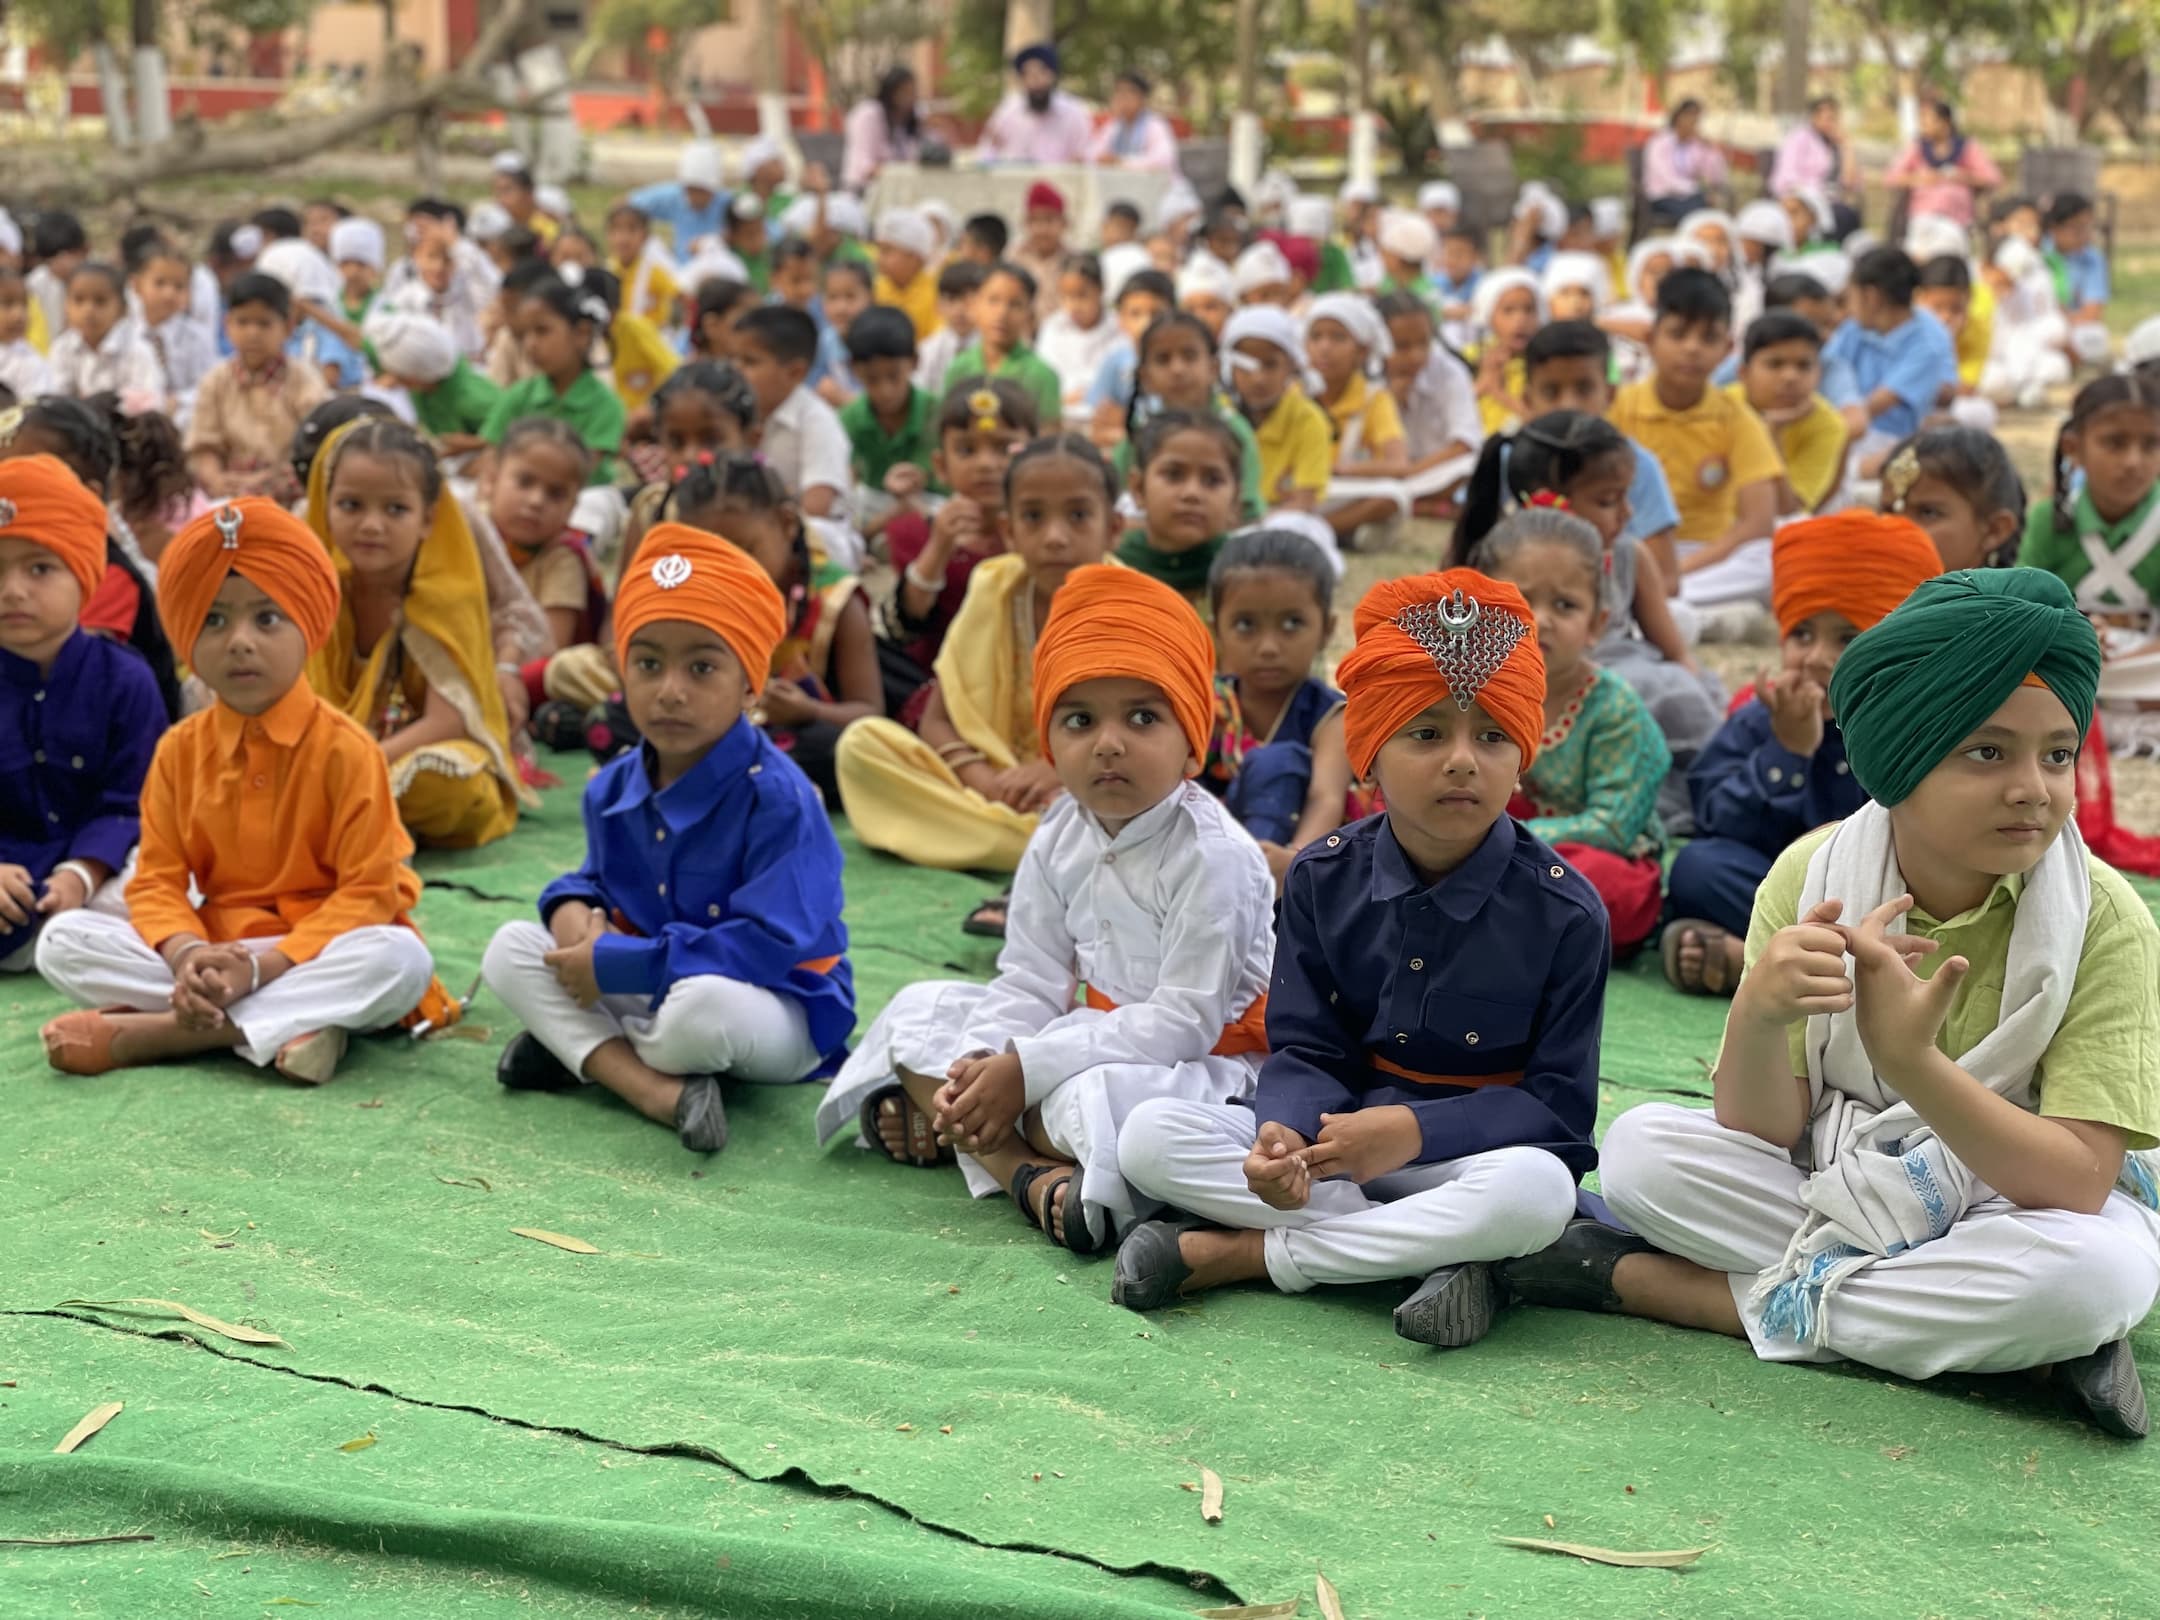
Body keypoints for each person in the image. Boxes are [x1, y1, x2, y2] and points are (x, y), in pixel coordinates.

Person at [1510, 569, 2160, 1439]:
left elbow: (2079, 1180)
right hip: (1835, 1171)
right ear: (1899, 758)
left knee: (2100, 1275)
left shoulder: (2105, 917)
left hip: (2020, 1203)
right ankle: (2024, 1350)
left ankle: (1680, 1294)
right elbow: (1764, 1129)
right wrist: (1762, 1012)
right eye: (1987, 752)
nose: (2032, 789)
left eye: (2056, 754)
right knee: (1639, 1155)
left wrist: (1911, 1065)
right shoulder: (1813, 877)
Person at [1113, 565, 1604, 1343]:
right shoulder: (1320, 877)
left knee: (1536, 1193)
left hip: (1463, 1159)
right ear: (1367, 754)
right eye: (1427, 732)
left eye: (1491, 735)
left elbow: (1560, 1109)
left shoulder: (1566, 911)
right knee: (1147, 1138)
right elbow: (1308, 1047)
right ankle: (1437, 1255)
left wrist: (1411, 1133)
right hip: (1331, 1150)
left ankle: (1246, 1257)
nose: (1461, 760)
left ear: (1522, 758)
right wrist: (1282, 1132)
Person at [821, 563, 1273, 1258]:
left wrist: (1027, 1069)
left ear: (1193, 744)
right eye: (1080, 720)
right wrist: (983, 1065)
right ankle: (1026, 1175)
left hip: (1196, 1065)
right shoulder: (1060, 829)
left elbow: (1184, 1025)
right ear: (1049, 739)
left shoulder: (1214, 857)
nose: (1109, 743)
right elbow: (1030, 979)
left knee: (1097, 1104)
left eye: (1143, 717)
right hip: (1074, 1035)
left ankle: (972, 1139)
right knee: (918, 1013)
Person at [36, 500, 440, 1084]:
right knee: (64, 939)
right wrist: (188, 956)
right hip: (211, 947)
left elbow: (370, 891)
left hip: (312, 948)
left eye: (267, 618)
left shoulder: (349, 750)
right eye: (214, 620)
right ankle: (292, 1024)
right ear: (186, 638)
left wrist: (262, 968)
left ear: (309, 626)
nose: (240, 642)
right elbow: (156, 881)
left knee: (400, 959)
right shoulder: (179, 750)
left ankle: (163, 1034)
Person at [484, 525, 853, 1152]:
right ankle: (652, 1087)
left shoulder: (780, 799)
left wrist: (616, 963)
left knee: (698, 1013)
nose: (670, 690)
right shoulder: (614, 786)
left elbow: (765, 949)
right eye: (648, 663)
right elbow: (593, 880)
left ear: (749, 685)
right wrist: (572, 912)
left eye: (702, 666)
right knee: (509, 947)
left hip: (774, 1004)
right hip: (647, 979)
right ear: (622, 671)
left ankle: (585, 1049)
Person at [1662, 511, 1943, 996]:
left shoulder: (1916, 731)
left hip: (1883, 903)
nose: (1816, 657)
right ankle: (1809, 965)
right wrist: (1787, 755)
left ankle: (1763, 962)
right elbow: (1716, 819)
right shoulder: (1760, 717)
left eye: (1847, 639)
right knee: (1697, 868)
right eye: (1803, 634)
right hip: (1781, 891)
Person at [835, 434, 1117, 873]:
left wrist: (1057, 771)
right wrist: (984, 781)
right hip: (991, 784)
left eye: (1078, 516)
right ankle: (1043, 848)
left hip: (1089, 785)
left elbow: (1150, 729)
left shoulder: (1133, 604)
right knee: (861, 745)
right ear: (1009, 530)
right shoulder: (993, 588)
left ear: (1112, 527)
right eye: (1033, 517)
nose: (1055, 537)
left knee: (1131, 794)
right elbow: (937, 719)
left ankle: (1027, 843)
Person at [1452, 409, 1714, 800]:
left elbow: (1674, 650)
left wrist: (1694, 690)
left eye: (1626, 496)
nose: (1627, 513)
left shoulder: (1629, 555)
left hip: (1624, 671)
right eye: (1609, 500)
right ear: (1547, 504)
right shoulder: (1499, 555)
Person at [306, 418, 528, 848]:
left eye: (395, 509)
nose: (371, 525)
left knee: (440, 781)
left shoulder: (446, 597)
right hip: (333, 758)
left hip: (414, 753)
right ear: (324, 505)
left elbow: (448, 721)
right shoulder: (318, 592)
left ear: (428, 519)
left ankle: (359, 823)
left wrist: (360, 765)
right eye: (351, 505)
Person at [1469, 509, 1670, 953]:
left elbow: (1614, 826)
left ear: (1597, 625)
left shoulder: (1614, 709)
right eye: (1522, 601)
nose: (1541, 621)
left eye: (1565, 605)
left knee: (1602, 884)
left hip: (1583, 855)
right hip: (1486, 840)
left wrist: (1493, 841)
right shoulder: (1470, 690)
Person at [0, 457, 165, 973]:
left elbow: (133, 804)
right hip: (8, 887)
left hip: (97, 881)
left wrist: (81, 874)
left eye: (40, 568)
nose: (13, 591)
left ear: (84, 575)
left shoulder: (127, 681)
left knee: (165, 885)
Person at [662, 454, 878, 802]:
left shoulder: (835, 600)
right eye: (708, 556)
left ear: (786, 522)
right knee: (616, 719)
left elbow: (870, 714)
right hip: (715, 735)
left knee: (834, 750)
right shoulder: (696, 595)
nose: (729, 571)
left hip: (800, 736)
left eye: (745, 551)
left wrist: (809, 711)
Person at [1608, 268, 1782, 609]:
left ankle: (1653, 605)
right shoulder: (1619, 408)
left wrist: (1677, 571)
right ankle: (1669, 606)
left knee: (1768, 558)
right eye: (1678, 334)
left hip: (1706, 556)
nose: (1692, 348)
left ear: (1728, 348)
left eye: (1708, 338)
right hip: (1635, 548)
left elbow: (1757, 522)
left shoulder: (1736, 416)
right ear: (1650, 338)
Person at [875, 381, 1038, 717]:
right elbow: (906, 623)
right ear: (940, 466)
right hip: (941, 685)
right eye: (966, 450)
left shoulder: (1049, 530)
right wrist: (939, 547)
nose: (986, 464)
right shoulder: (916, 532)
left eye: (1003, 448)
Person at [1201, 528, 1352, 875]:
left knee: (1278, 762)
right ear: (1217, 632)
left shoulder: (1329, 714)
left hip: (1285, 865)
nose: (1268, 646)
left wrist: (1296, 860)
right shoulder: (1208, 702)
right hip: (1202, 859)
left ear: (1326, 630)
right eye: (1245, 625)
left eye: (1291, 623)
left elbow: (1326, 797)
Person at [185, 272, 332, 503]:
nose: (252, 333)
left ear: (288, 327)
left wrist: (265, 482)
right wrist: (215, 479)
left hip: (287, 495)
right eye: (242, 322)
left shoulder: (304, 381)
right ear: (227, 325)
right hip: (226, 494)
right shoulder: (215, 382)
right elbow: (203, 446)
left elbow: (315, 449)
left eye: (264, 324)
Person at [1821, 246, 1961, 478]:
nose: (1847, 306)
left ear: (1871, 296)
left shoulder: (1927, 342)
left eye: (1851, 296)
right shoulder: (1854, 329)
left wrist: (1824, 429)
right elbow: (1823, 371)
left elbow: (1874, 407)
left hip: (1882, 437)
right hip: (1841, 425)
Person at [479, 273, 626, 486]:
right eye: (524, 335)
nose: (530, 344)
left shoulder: (606, 405)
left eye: (542, 331)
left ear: (582, 334)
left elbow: (577, 477)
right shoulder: (518, 396)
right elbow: (491, 458)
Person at [733, 305, 854, 534]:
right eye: (734, 359)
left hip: (809, 534)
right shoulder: (737, 416)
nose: (736, 370)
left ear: (795, 372)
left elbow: (817, 506)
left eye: (749, 362)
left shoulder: (817, 421)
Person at [1116, 411, 1242, 605]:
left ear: (1234, 499)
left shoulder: (1243, 573)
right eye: (1174, 475)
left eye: (1212, 480)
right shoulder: (1115, 569)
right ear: (1138, 489)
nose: (1192, 493)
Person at [1731, 310, 1845, 514]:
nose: (1790, 376)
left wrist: (1773, 432)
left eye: (1804, 366)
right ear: (1743, 373)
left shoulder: (1828, 425)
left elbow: (1786, 511)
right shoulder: (1722, 407)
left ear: (1818, 374)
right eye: (1775, 364)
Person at [840, 307, 937, 542]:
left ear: (914, 362)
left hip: (928, 503)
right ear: (854, 369)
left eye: (894, 376)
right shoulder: (847, 419)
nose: (885, 391)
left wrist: (869, 531)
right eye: (872, 379)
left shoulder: (937, 412)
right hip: (873, 505)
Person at [1224, 305, 1333, 514]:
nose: (1258, 378)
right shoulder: (1219, 416)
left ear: (1291, 367)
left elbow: (1304, 502)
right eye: (1246, 367)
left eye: (1270, 365)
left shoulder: (1308, 419)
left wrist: (1253, 521)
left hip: (1277, 519)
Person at [945, 263, 1062, 428]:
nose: (1002, 313)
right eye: (993, 300)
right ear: (974, 305)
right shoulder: (959, 368)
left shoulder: (1042, 376)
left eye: (1015, 304)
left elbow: (1047, 441)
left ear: (1029, 314)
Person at [369, 310, 500, 455]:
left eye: (400, 377)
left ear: (415, 376)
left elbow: (515, 434)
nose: (396, 381)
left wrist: (475, 444)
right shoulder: (424, 384)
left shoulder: (473, 399)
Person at [48, 262, 164, 401]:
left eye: (100, 301)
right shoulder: (62, 346)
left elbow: (149, 401)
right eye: (79, 300)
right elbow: (54, 397)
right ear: (66, 306)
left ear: (122, 309)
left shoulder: (138, 350)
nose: (88, 310)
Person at [1885, 101, 2001, 231]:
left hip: (1958, 219)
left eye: (1928, 122)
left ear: (1945, 122)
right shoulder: (1917, 147)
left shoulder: (1967, 147)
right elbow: (1891, 178)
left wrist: (1962, 177)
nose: (1923, 127)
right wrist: (1921, 178)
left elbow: (1993, 178)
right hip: (1922, 217)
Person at [979, 43, 1096, 166]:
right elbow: (987, 152)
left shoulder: (1074, 113)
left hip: (1061, 183)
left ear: (1052, 75)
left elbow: (1087, 154)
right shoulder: (1008, 111)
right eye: (1028, 74)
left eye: (1041, 73)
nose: (1035, 80)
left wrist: (1081, 160)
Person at [1769, 96, 1861, 240]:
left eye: (1834, 119)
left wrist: (1847, 147)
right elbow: (1785, 177)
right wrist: (1815, 194)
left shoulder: (1837, 145)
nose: (1830, 123)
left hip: (1833, 200)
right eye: (1826, 118)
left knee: (1849, 215)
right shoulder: (1799, 138)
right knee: (1839, 217)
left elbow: (1850, 183)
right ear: (1814, 118)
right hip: (1807, 199)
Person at [2043, 193, 2112, 369]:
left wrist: (2064, 317)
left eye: (2088, 228)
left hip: (2072, 329)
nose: (2085, 235)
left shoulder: (2093, 260)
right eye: (2077, 228)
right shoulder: (2040, 254)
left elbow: (2092, 314)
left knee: (2097, 337)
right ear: (2055, 228)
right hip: (2041, 327)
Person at [629, 143, 730, 262]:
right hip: (681, 274)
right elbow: (626, 205)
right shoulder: (674, 196)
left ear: (713, 189)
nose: (695, 197)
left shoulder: (728, 204)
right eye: (690, 190)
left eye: (701, 191)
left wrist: (714, 242)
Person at [1642, 100, 1729, 227]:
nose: (1693, 123)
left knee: (1711, 211)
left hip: (1688, 198)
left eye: (1697, 119)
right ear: (1679, 118)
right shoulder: (1659, 143)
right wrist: (1694, 190)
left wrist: (1710, 149)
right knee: (1699, 214)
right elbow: (1666, 179)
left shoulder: (1694, 146)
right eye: (1690, 117)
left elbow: (1716, 178)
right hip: (1662, 197)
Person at [843, 66, 923, 192]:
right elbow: (865, 167)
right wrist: (897, 172)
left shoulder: (908, 120)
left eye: (913, 92)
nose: (911, 98)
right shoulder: (868, 114)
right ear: (891, 92)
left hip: (900, 189)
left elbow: (914, 158)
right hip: (864, 190)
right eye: (905, 92)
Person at [1085, 70, 1178, 171]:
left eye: (1129, 92)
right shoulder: (1114, 126)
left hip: (1159, 185)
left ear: (1142, 97)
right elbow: (1094, 152)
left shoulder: (1154, 125)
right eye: (1118, 92)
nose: (1122, 97)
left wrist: (1121, 162)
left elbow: (1163, 159)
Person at [872, 209, 941, 345]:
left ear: (914, 257)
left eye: (887, 251)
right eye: (879, 250)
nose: (879, 258)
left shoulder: (936, 295)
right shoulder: (875, 289)